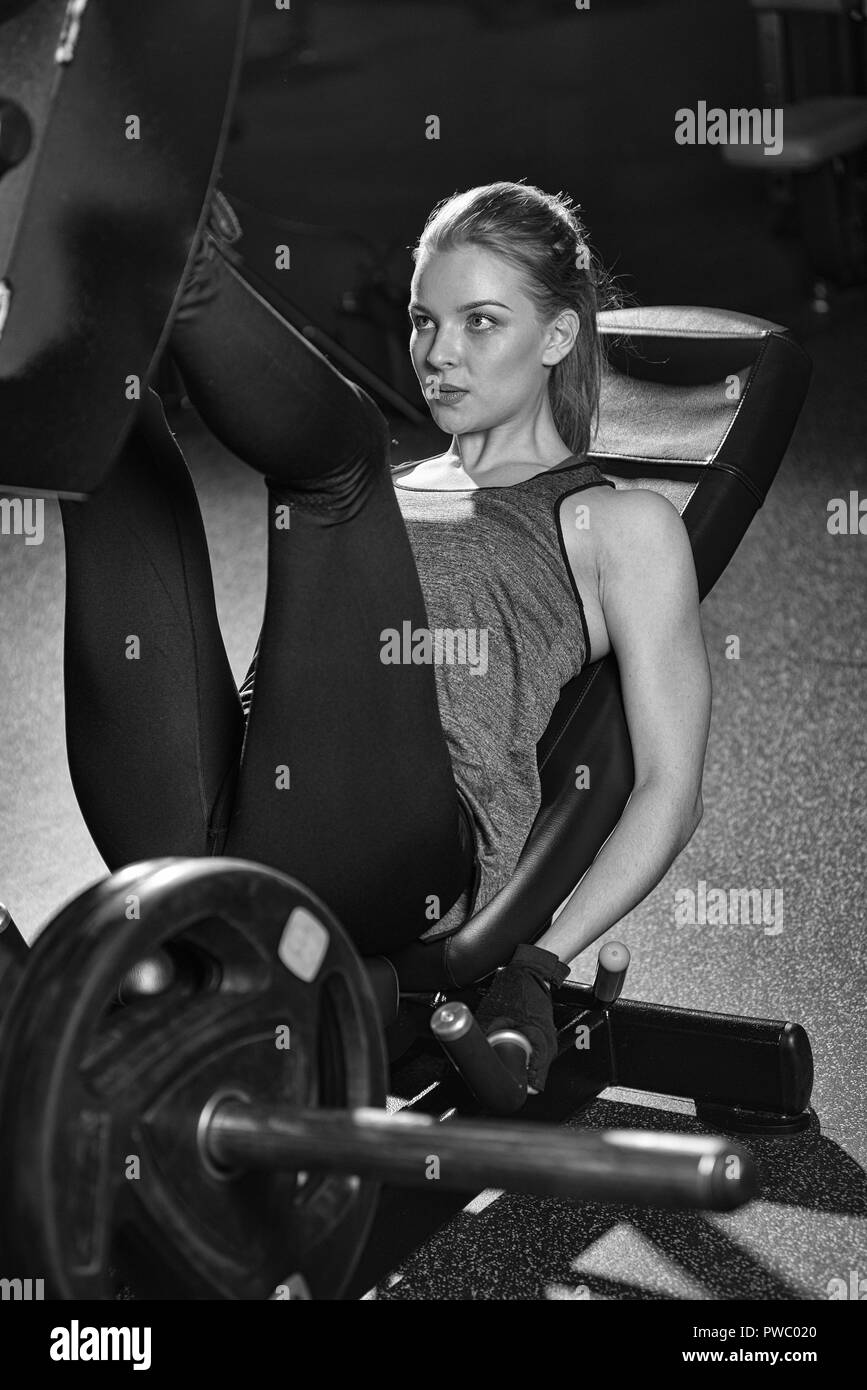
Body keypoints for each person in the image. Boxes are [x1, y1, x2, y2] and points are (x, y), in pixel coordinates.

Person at [58, 180, 710, 1094]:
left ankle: (187, 272)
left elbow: (668, 789)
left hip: (403, 854)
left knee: (335, 471)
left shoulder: (619, 523)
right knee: (107, 445)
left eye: (480, 322)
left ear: (557, 335)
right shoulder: (391, 486)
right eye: (421, 322)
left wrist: (537, 965)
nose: (438, 354)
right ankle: (80, 292)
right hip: (234, 816)